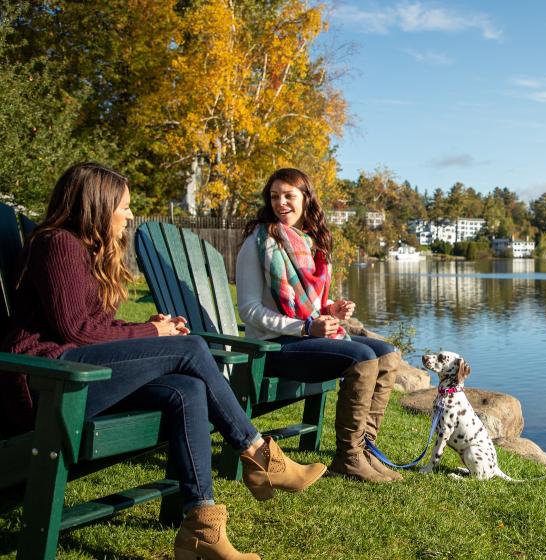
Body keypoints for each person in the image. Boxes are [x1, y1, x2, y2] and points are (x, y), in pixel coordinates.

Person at [1, 162, 327, 560]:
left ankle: (201, 528)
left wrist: (149, 327)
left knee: (186, 388)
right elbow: (76, 331)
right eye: (123, 205)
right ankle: (260, 456)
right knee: (189, 349)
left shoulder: (81, 249)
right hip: (46, 385)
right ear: (97, 205)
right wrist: (152, 333)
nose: (130, 214)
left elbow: (92, 325)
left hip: (80, 375)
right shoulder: (57, 243)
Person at [236, 168, 404, 483]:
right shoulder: (258, 244)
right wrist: (306, 328)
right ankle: (349, 457)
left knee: (388, 354)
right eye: (274, 196)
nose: (280, 203)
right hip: (273, 347)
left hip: (302, 340)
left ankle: (366, 448)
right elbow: (249, 310)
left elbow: (306, 307)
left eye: (289, 196)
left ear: (306, 199)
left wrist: (329, 310)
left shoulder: (311, 243)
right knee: (363, 357)